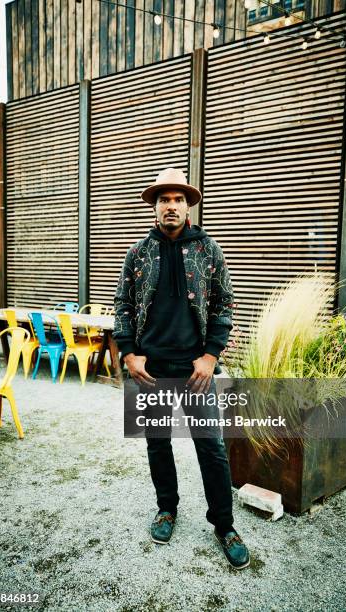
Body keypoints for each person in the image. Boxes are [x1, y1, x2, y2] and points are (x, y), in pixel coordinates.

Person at [113, 168, 250, 569]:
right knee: (158, 443)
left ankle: (224, 525)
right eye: (163, 199)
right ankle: (167, 509)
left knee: (211, 447)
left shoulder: (208, 249)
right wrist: (128, 353)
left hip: (196, 372)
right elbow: (122, 304)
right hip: (150, 369)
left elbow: (224, 303)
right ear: (154, 206)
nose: (170, 206)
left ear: (188, 205)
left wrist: (210, 356)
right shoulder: (138, 252)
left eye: (178, 199)